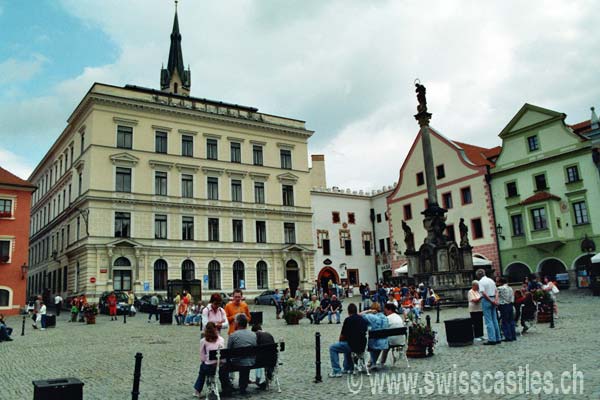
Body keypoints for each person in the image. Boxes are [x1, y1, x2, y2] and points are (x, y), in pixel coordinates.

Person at [329, 303, 368, 378]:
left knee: (333, 348)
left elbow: (342, 335)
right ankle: (348, 367)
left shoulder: (348, 320)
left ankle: (336, 371)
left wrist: (340, 341)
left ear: (348, 311)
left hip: (351, 345)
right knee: (346, 345)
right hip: (362, 346)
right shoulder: (362, 320)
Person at [193, 322, 228, 398]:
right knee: (219, 369)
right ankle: (226, 388)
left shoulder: (203, 341)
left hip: (210, 368)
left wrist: (206, 361)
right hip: (221, 366)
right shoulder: (221, 339)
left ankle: (197, 390)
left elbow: (202, 358)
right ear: (215, 329)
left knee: (202, 370)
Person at [227, 313, 257, 395]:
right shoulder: (253, 334)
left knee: (223, 369)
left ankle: (226, 387)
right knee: (245, 361)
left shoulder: (233, 335)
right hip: (251, 361)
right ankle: (243, 387)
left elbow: (228, 351)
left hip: (238, 362)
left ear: (237, 323)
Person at [360, 302, 389, 369]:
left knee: (370, 339)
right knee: (376, 338)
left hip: (374, 342)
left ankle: (372, 362)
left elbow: (358, 315)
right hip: (384, 342)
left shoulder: (371, 316)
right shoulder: (384, 317)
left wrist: (368, 311)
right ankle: (373, 362)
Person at [476, 269, 501, 345]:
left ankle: (492, 339)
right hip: (493, 298)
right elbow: (496, 291)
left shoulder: (481, 282)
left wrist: (490, 300)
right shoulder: (491, 280)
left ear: (478, 275)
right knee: (495, 319)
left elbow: (483, 293)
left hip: (487, 300)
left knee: (488, 320)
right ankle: (498, 338)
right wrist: (495, 300)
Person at [251, 324, 276, 390]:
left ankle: (258, 380)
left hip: (262, 360)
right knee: (267, 356)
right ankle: (268, 379)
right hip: (273, 359)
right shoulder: (269, 334)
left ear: (254, 331)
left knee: (255, 358)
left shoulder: (256, 335)